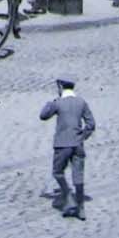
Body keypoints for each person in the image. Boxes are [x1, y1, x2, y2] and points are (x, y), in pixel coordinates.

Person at [39, 75, 96, 220]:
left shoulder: (58, 103)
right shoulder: (81, 102)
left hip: (62, 145)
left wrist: (51, 102)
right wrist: (82, 137)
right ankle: (81, 209)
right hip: (77, 145)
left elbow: (43, 115)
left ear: (60, 87)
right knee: (78, 176)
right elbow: (91, 124)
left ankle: (69, 198)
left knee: (58, 172)